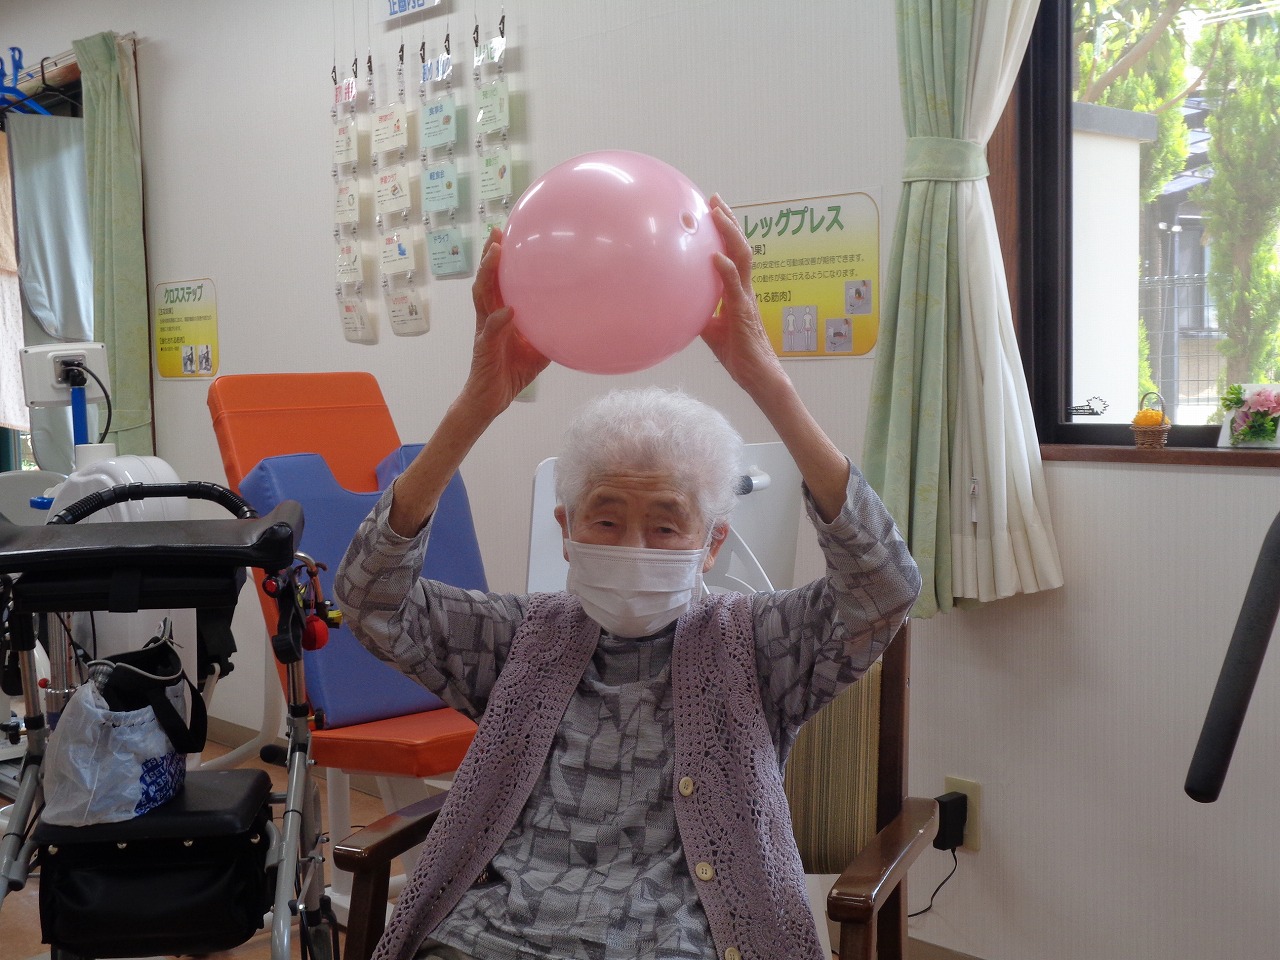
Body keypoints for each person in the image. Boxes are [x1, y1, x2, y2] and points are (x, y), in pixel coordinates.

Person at [334, 196, 921, 960]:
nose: (635, 545)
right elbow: (369, 598)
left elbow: (883, 586)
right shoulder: (519, 640)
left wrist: (767, 382)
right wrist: (475, 407)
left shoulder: (757, 647)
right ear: (566, 529)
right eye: (607, 520)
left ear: (712, 543)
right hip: (493, 937)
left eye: (667, 525)